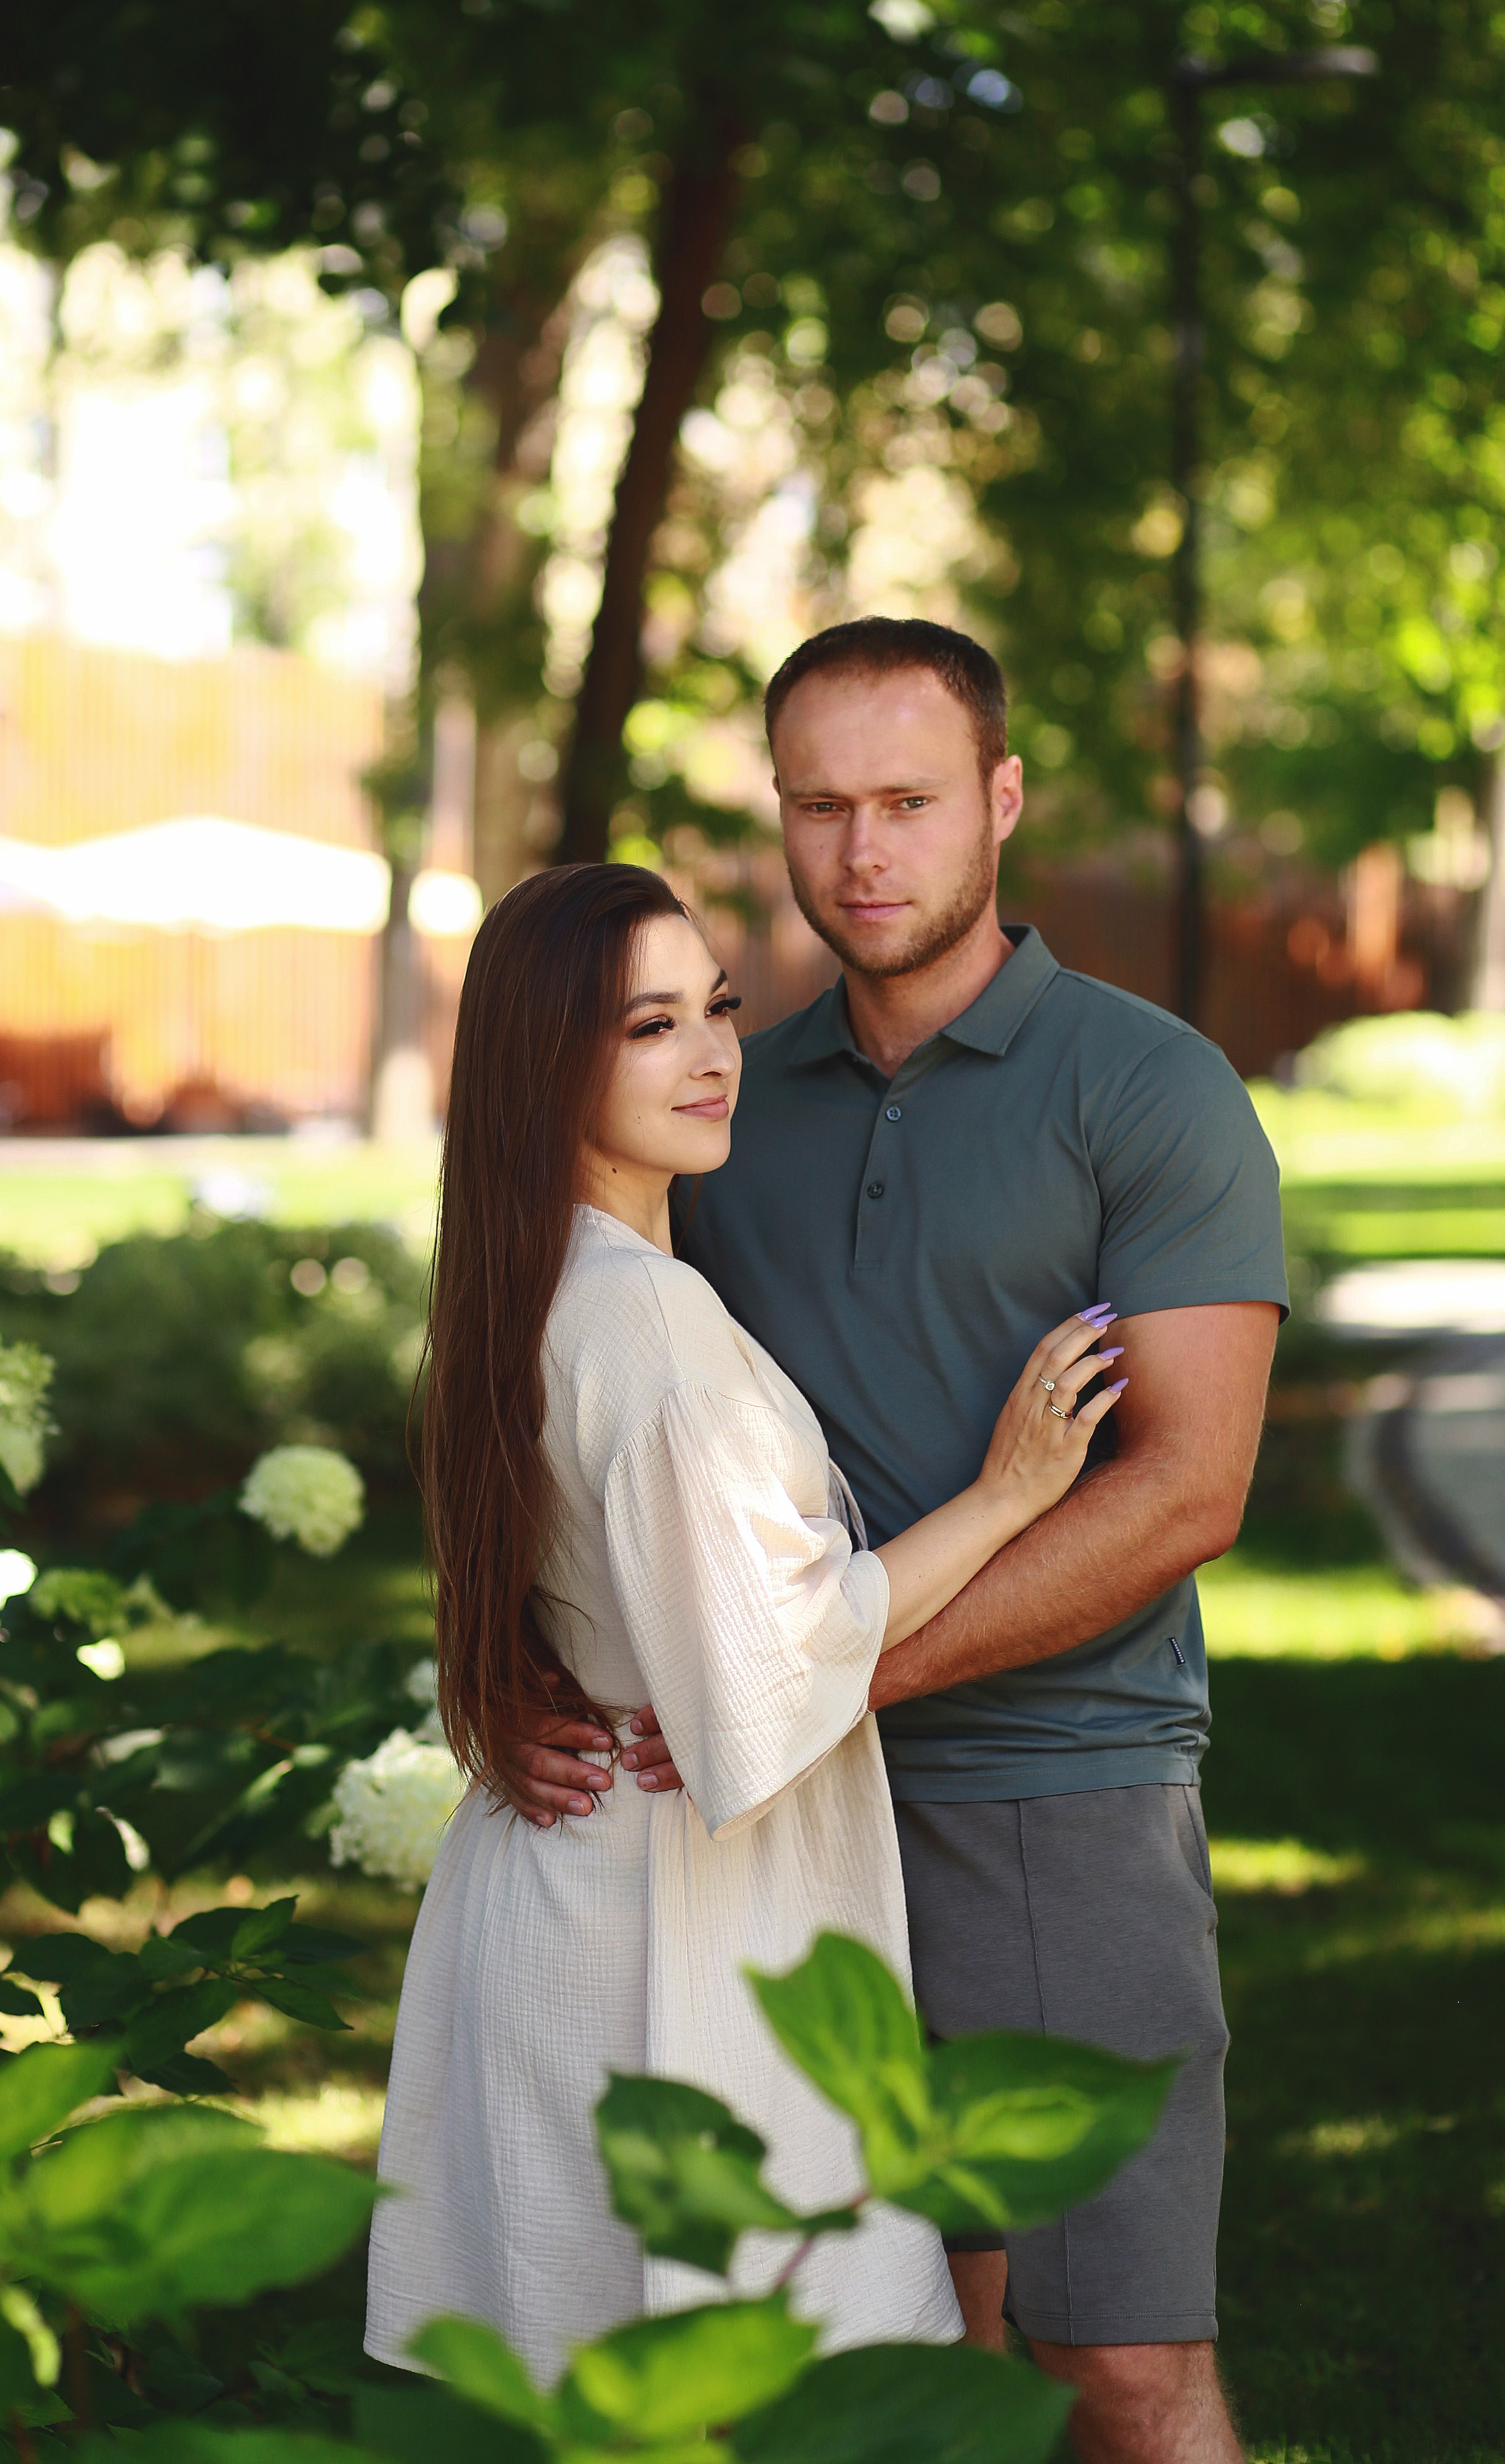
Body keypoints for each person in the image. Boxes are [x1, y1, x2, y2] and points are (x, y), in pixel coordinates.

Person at [507, 621, 1288, 2464]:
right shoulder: (713, 1101)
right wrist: (526, 1675)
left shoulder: (1148, 1091)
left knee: (1117, 2361)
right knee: (873, 2361)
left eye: (913, 802)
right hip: (762, 1836)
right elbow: (582, 1406)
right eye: (821, 805)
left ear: (1003, 802)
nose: (866, 852)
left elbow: (1188, 1490)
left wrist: (808, 1684)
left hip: (1050, 1796)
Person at [364, 860, 1125, 2388]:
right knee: (740, 2371)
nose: (712, 1054)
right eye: (648, 1027)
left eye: (716, 1009)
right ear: (547, 1062)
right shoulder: (644, 1317)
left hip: (559, 1876)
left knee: (580, 2366)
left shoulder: (530, 1282)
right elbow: (764, 1677)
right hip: (673, 1904)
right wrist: (1006, 1493)